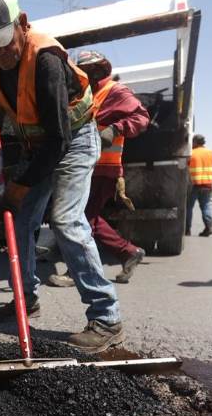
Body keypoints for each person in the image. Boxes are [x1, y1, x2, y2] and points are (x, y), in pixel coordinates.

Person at [0, 0, 124, 351]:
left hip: (73, 140)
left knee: (66, 220)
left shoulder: (46, 61)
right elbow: (9, 93)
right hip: (38, 146)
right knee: (21, 220)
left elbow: (58, 140)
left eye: (4, 42)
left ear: (22, 23)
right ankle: (25, 299)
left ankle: (107, 317)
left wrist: (21, 185)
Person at [47, 50, 150, 287]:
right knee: (85, 218)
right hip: (85, 166)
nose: (86, 74)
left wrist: (115, 129)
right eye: (82, 70)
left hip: (103, 168)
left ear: (101, 68)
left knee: (79, 219)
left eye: (91, 69)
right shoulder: (85, 93)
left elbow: (141, 117)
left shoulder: (115, 90)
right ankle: (128, 252)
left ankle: (78, 271)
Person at [185, 134, 212, 237]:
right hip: (207, 185)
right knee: (205, 206)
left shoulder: (191, 153)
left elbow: (184, 169)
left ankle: (187, 230)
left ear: (195, 142)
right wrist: (209, 177)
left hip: (193, 185)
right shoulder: (211, 153)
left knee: (188, 207)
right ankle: (208, 227)